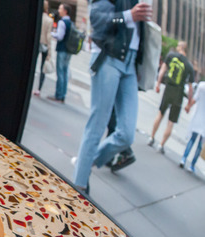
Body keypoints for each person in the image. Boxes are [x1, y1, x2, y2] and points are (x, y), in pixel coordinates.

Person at [71, 0, 153, 193]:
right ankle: (79, 186)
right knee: (97, 125)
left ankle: (86, 162)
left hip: (130, 64)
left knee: (126, 134)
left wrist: (140, 61)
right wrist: (128, 16)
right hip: (108, 58)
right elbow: (97, 20)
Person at [147, 41, 195, 154]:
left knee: (160, 113)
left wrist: (158, 83)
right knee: (171, 122)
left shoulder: (171, 56)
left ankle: (151, 137)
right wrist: (188, 103)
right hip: (178, 93)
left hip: (168, 88)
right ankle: (161, 144)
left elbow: (162, 70)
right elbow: (190, 88)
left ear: (180, 47)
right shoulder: (188, 66)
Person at [48, 3, 73, 103]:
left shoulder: (62, 22)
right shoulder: (70, 22)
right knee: (65, 72)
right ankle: (62, 95)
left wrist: (51, 33)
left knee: (60, 72)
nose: (58, 10)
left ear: (65, 11)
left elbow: (60, 36)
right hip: (68, 50)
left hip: (62, 49)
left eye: (60, 9)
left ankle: (58, 95)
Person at [180, 81, 205, 172]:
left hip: (198, 117)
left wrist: (188, 106)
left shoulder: (202, 86)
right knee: (200, 145)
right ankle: (192, 165)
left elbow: (195, 99)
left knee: (192, 139)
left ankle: (183, 158)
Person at [34, 1, 53, 97]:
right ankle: (39, 89)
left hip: (36, 43)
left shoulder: (37, 16)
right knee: (43, 67)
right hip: (45, 44)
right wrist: (50, 51)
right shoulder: (49, 20)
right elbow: (49, 36)